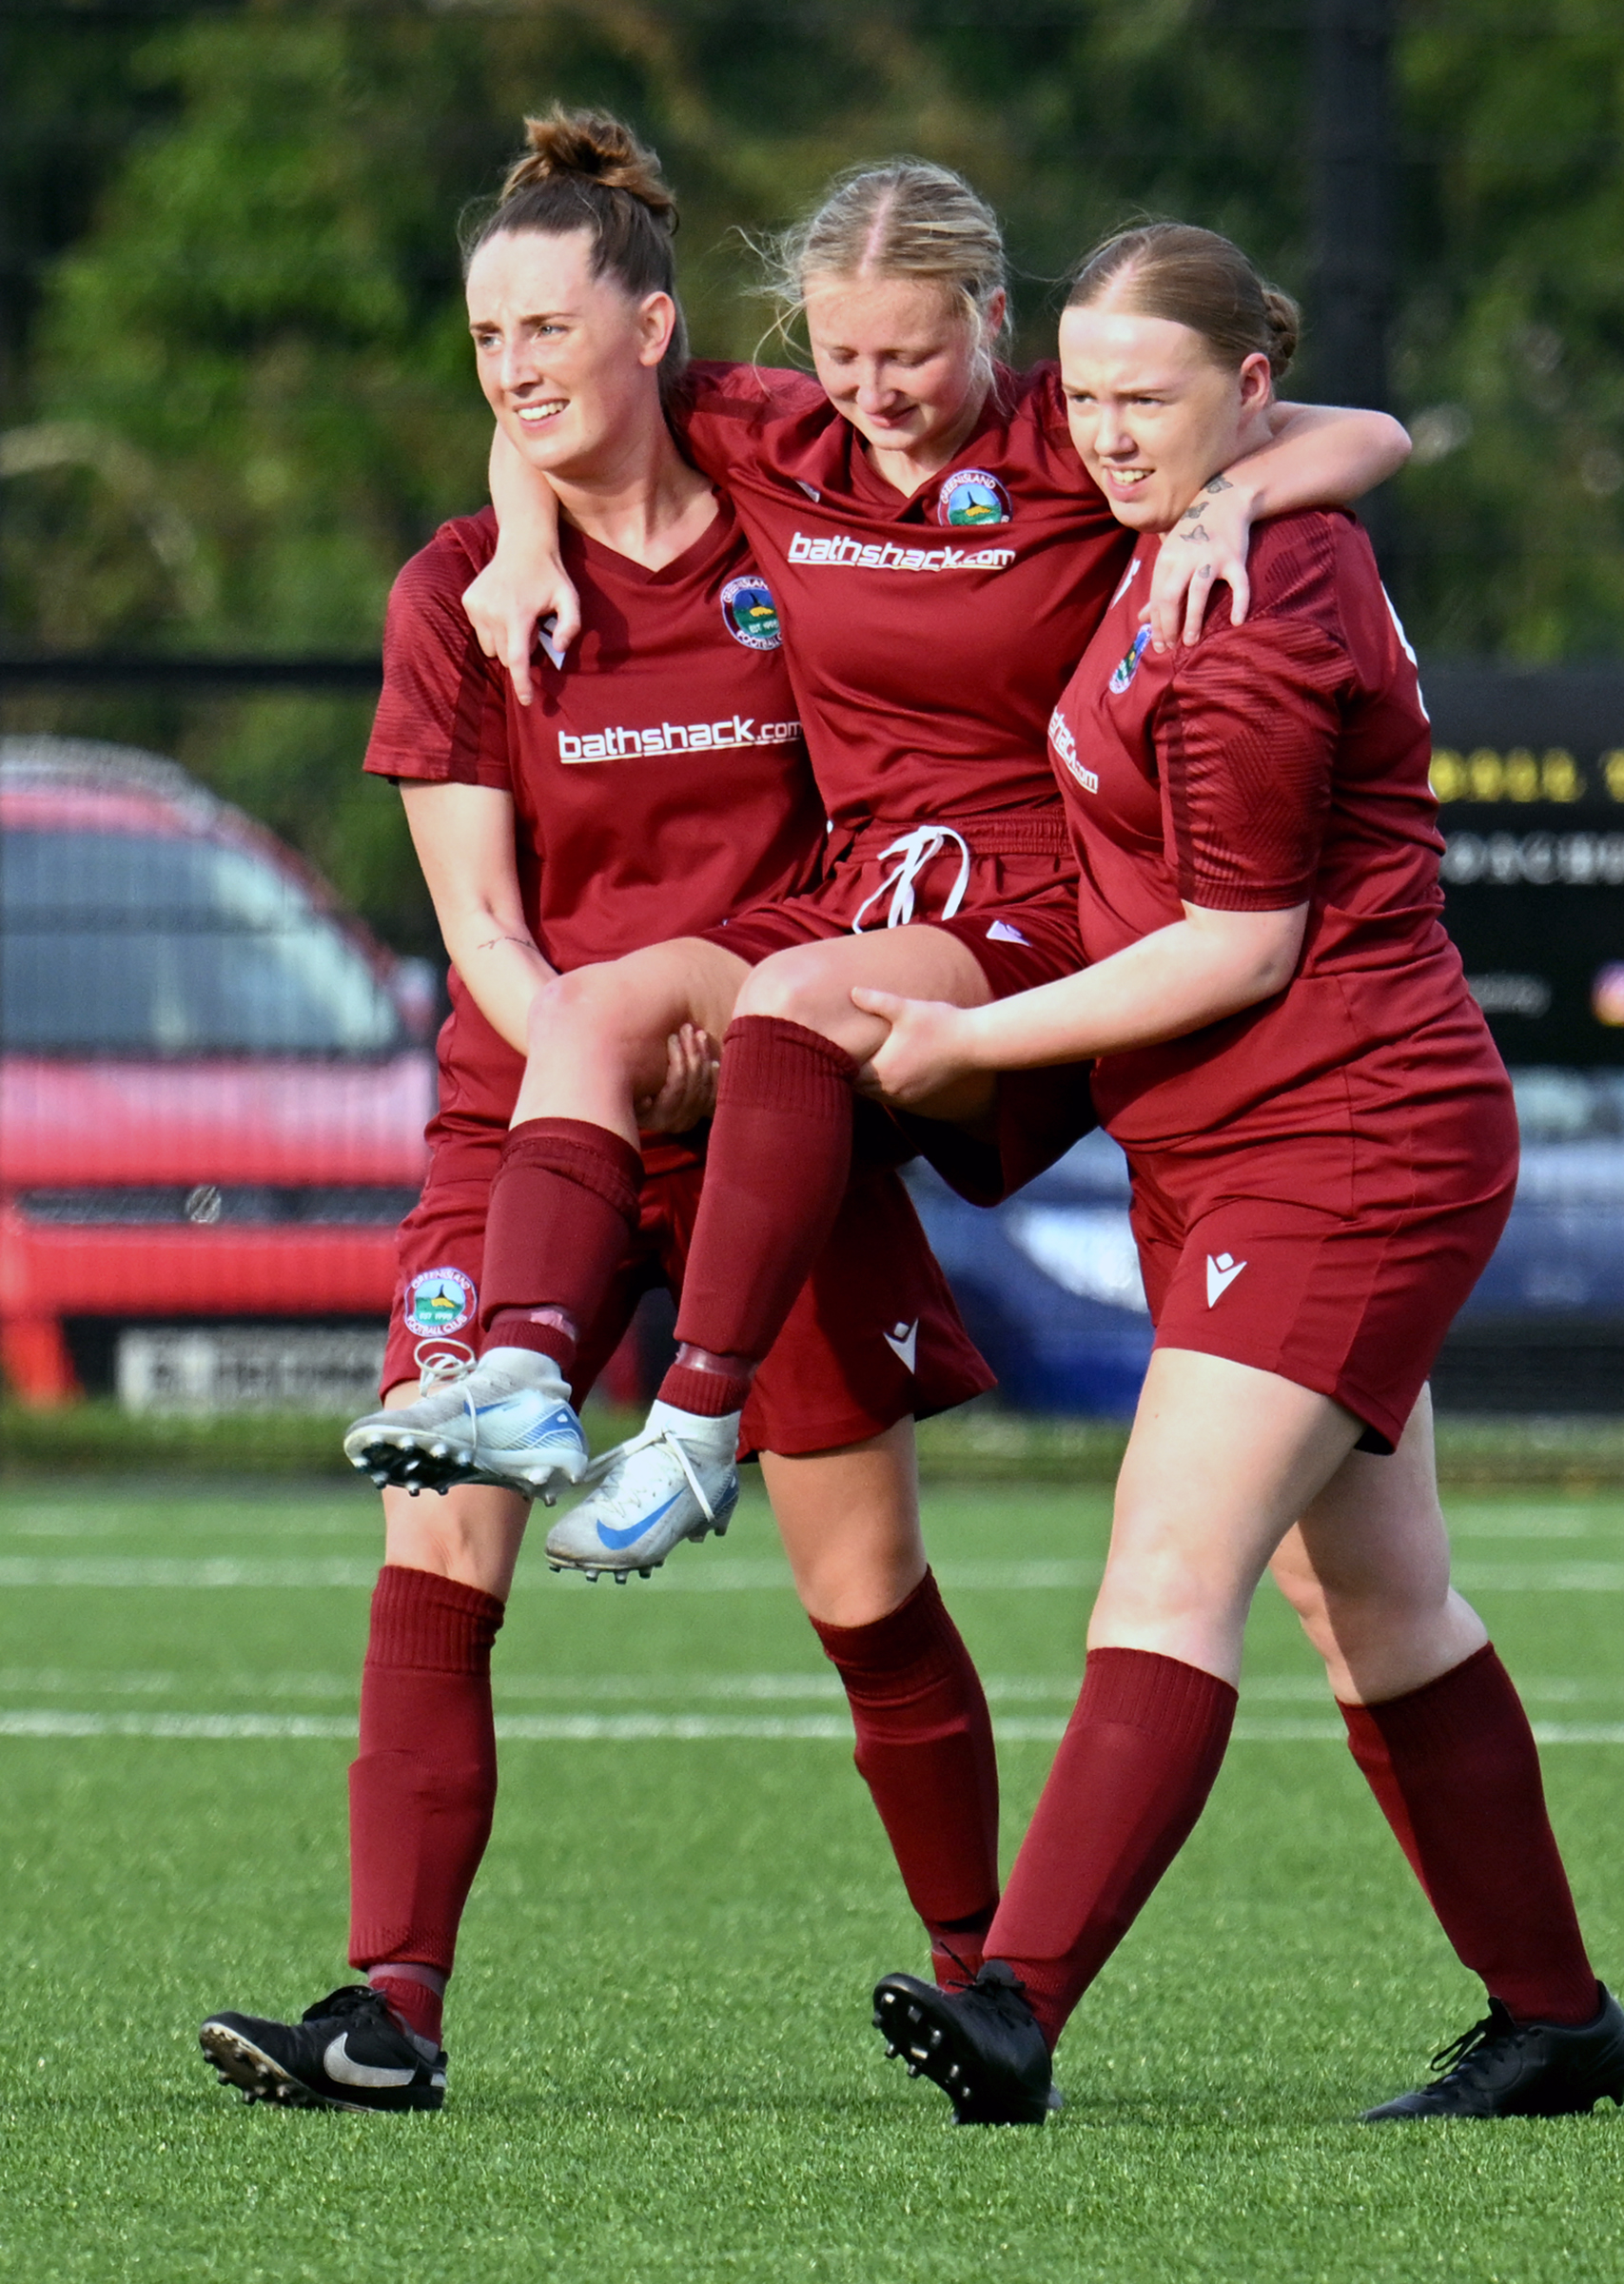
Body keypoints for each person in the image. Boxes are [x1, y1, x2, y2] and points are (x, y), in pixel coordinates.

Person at [198, 111, 1007, 2115]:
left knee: (864, 1593)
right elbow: (479, 923)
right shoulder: (458, 591)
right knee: (436, 1554)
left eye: (547, 329)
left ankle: (994, 1995)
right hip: (529, 1123)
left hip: (776, 1129)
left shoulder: (787, 507)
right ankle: (389, 2014)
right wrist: (598, 1052)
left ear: (651, 328)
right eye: (485, 341)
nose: (513, 371)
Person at [354, 159, 1411, 1583]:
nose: (873, 390)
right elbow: (554, 406)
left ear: (988, 316)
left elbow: (1372, 433)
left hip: (1033, 901)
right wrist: (527, 535)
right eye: (841, 354)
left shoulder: (1069, 433)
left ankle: (692, 1427)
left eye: (908, 355)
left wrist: (1233, 499)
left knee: (792, 1005)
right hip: (862, 888)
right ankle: (522, 1381)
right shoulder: (776, 432)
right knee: (594, 1006)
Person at [855, 222, 1624, 2126]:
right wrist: (1241, 478)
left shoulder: (1251, 613)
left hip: (1343, 1137)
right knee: (1375, 1604)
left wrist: (967, 1045)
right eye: (1086, 397)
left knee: (1170, 1556)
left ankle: (1017, 2003)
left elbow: (1237, 946)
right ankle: (1553, 2022)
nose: (1107, 435)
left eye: (1151, 401)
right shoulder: (1197, 512)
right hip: (1234, 1143)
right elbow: (1369, 433)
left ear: (1247, 390)